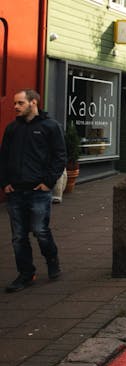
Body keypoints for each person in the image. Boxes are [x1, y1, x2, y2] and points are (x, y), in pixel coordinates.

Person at [0, 89, 65, 293]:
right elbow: (4, 157)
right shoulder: (12, 129)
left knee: (40, 231)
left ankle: (52, 260)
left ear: (34, 103)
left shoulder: (50, 127)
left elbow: (60, 156)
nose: (15, 107)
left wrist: (48, 182)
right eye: (15, 103)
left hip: (39, 190)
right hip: (16, 191)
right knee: (19, 236)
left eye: (20, 103)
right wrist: (4, 182)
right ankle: (26, 274)